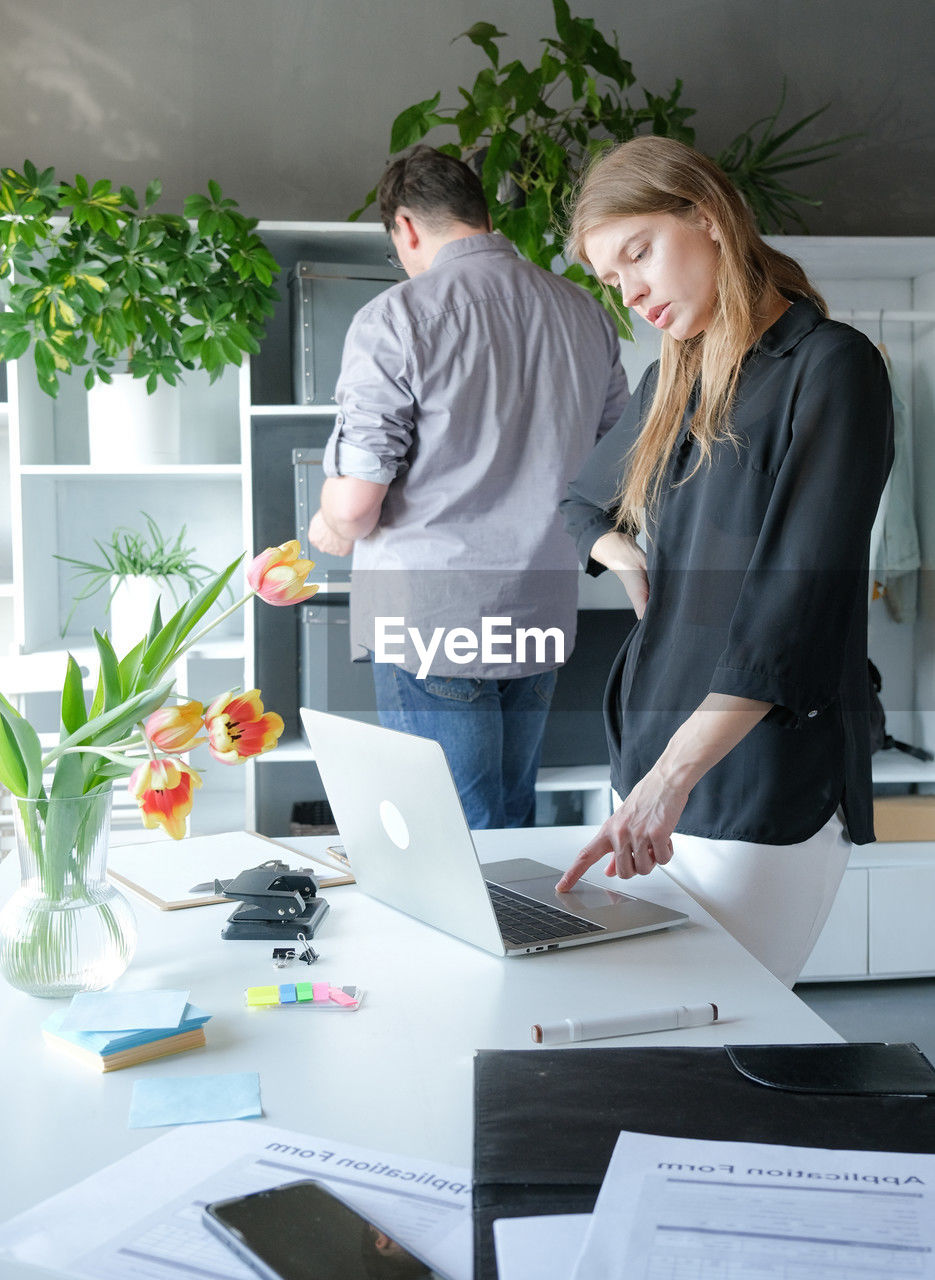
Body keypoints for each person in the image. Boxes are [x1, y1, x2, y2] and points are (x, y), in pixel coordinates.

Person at [555, 136, 894, 985]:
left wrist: (667, 782)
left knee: (717, 1046)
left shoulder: (833, 367)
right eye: (611, 278)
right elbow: (573, 507)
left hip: (756, 780)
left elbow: (792, 614)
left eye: (639, 253)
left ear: (703, 216)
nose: (631, 292)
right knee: (650, 1046)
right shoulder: (673, 385)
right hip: (647, 765)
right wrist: (626, 561)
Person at [308, 145, 630, 829]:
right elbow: (616, 467)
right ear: (480, 214)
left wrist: (329, 525)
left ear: (406, 227)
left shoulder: (394, 319)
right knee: (505, 822)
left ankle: (484, 938)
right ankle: (516, 933)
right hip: (538, 610)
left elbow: (357, 505)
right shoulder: (584, 315)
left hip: (431, 616)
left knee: (446, 835)